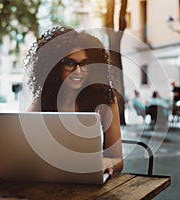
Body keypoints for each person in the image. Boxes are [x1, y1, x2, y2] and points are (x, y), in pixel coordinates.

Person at [24, 26, 123, 175]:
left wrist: (106, 163)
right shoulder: (43, 101)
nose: (78, 71)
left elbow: (117, 159)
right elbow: (23, 142)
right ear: (56, 65)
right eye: (70, 63)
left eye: (85, 64)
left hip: (89, 180)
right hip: (51, 178)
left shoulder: (105, 100)